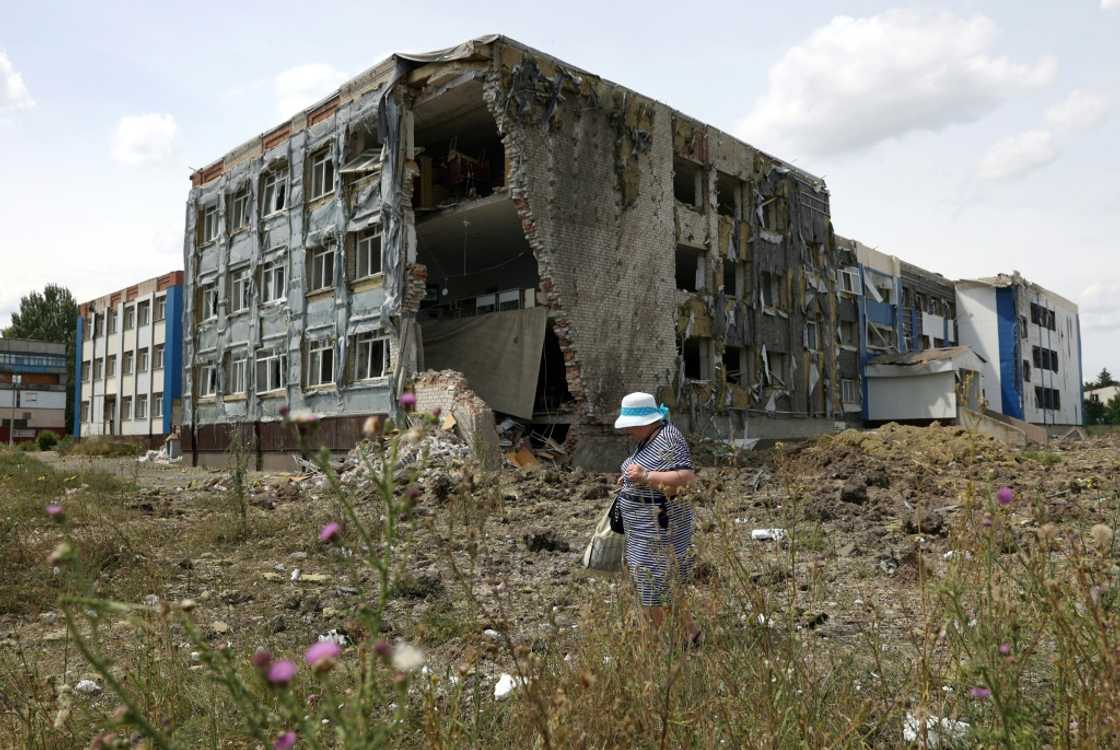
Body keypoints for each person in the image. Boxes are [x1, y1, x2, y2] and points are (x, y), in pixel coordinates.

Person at [614, 391, 700, 641]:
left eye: (631, 426)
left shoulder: (669, 439)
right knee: (662, 581)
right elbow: (648, 467)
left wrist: (645, 478)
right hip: (644, 526)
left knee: (653, 581)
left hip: (660, 525)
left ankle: (664, 639)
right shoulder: (651, 438)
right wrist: (631, 479)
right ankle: (688, 633)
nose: (628, 432)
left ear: (646, 422)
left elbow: (686, 480)